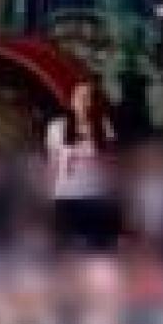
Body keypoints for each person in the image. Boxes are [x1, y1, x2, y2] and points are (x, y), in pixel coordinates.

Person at [45, 81, 119, 253]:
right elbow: (53, 164)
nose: (85, 102)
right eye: (80, 97)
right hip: (66, 200)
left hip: (97, 199)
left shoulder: (104, 125)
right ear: (71, 100)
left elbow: (110, 163)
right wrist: (47, 197)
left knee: (98, 255)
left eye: (89, 97)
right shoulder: (56, 127)